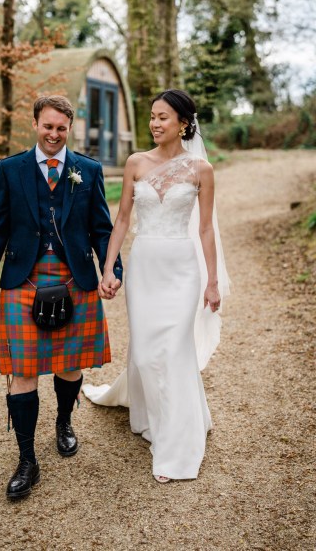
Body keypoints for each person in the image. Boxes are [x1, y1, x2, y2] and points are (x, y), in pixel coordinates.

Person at [0, 95, 122, 499]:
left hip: (74, 277)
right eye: (47, 126)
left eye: (61, 128)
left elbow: (102, 229)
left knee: (69, 363)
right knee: (22, 370)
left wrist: (113, 271)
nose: (54, 134)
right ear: (35, 123)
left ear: (69, 128)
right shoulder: (11, 169)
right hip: (24, 280)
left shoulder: (88, 171)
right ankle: (26, 459)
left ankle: (63, 422)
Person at [83, 89, 229, 483]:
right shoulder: (135, 163)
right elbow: (123, 222)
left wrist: (212, 282)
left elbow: (205, 229)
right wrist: (109, 269)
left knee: (175, 350)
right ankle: (149, 414)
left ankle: (175, 442)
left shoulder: (202, 170)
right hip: (145, 267)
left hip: (182, 269)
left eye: (162, 117)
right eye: (151, 116)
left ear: (183, 123)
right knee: (147, 354)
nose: (154, 123)